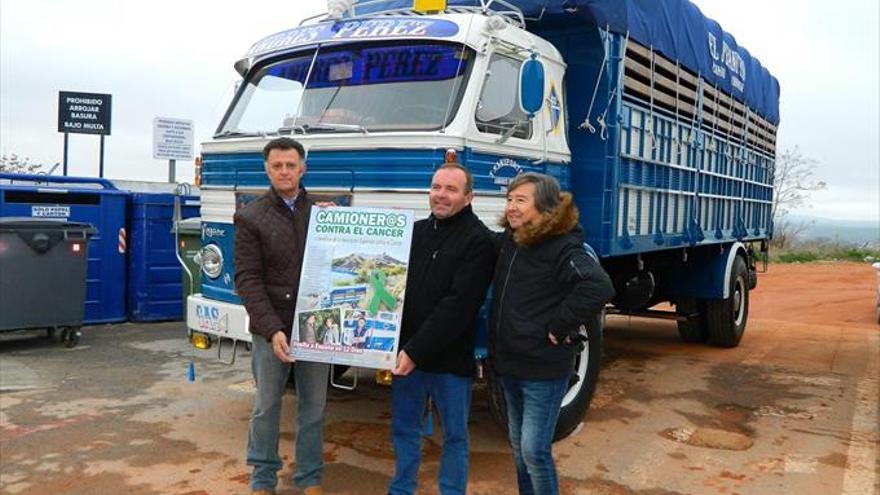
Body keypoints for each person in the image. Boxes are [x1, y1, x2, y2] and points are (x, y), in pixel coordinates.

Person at [489, 172, 614, 495]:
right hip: (509, 365)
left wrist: (559, 326)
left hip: (543, 369)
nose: (512, 207)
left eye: (521, 200)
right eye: (509, 199)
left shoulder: (561, 246)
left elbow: (598, 285)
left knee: (534, 450)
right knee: (518, 448)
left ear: (544, 207)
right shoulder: (510, 240)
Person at [388, 162, 496, 495]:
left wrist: (413, 352)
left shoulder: (480, 241)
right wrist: (334, 220)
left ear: (469, 196)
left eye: (450, 189)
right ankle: (402, 489)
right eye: (436, 187)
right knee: (404, 430)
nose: (441, 195)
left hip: (447, 361)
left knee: (455, 436)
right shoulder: (417, 232)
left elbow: (457, 308)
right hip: (407, 356)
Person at [234, 137, 328, 495]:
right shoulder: (250, 217)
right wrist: (272, 329)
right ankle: (262, 481)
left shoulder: (322, 213)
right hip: (271, 329)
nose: (285, 171)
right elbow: (247, 279)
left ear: (303, 168)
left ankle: (310, 478)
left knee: (314, 408)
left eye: (291, 165)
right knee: (267, 408)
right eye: (277, 166)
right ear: (267, 170)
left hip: (317, 327)